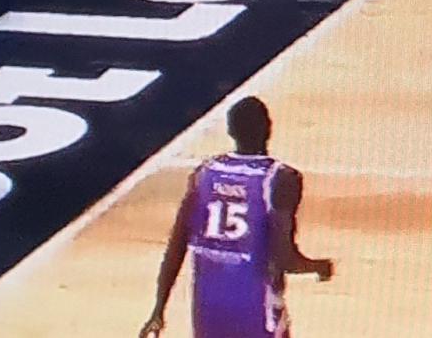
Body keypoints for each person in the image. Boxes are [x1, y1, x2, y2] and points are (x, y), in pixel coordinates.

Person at [139, 96, 333, 338]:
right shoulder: (280, 178)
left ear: (230, 131)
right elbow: (284, 258)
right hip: (256, 311)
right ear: (269, 127)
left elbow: (176, 244)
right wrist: (318, 267)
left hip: (208, 312)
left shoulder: (204, 173)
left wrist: (158, 309)